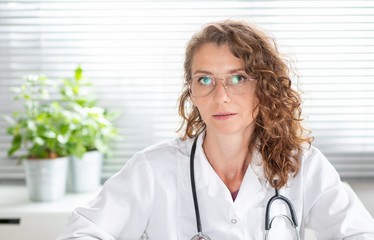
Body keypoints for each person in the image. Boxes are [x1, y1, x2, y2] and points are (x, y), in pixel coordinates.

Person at [57, 20, 374, 240]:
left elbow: (359, 233)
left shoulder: (303, 165)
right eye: (205, 79)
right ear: (191, 91)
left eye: (238, 78)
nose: (221, 96)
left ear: (264, 86)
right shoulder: (153, 170)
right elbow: (81, 232)